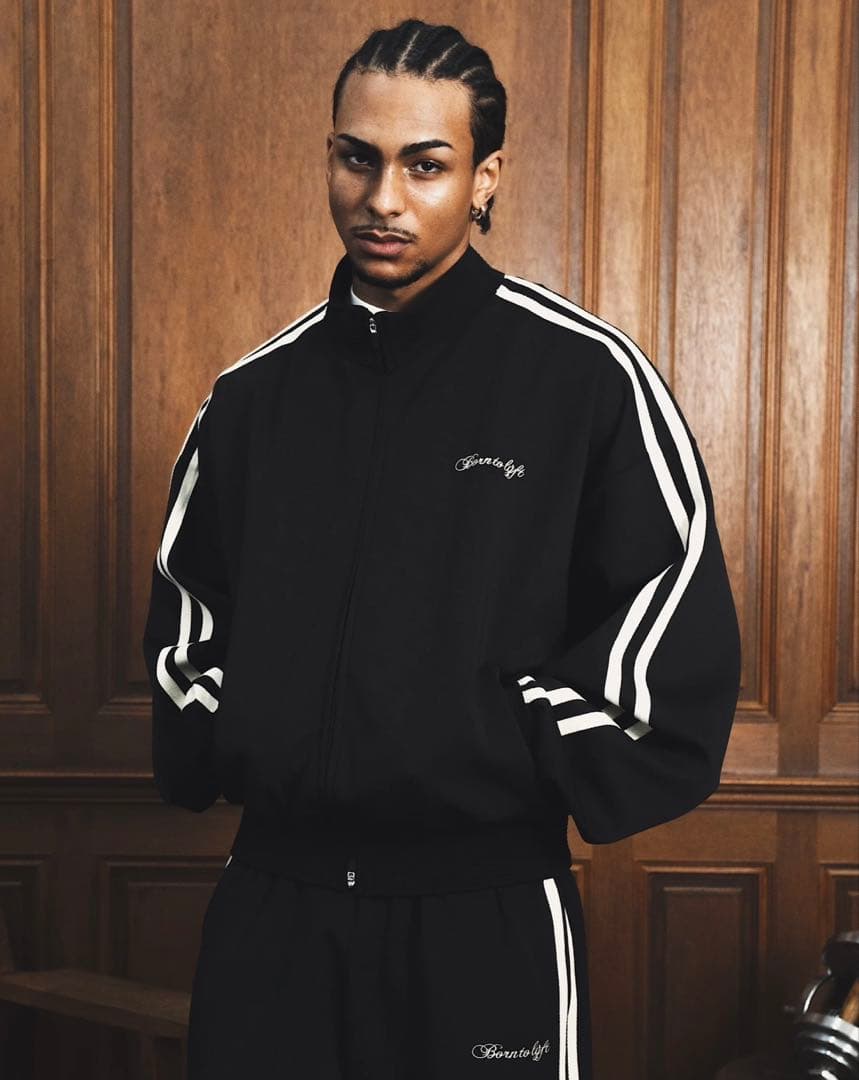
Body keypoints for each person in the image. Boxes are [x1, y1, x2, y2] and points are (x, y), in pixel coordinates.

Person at [142, 17, 741, 1080]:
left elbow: (670, 620)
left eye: (425, 165)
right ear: (330, 157)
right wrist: (242, 721)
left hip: (485, 912)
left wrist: (497, 733)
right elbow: (185, 624)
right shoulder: (250, 400)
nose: (383, 198)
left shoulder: (584, 380)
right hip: (276, 909)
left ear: (483, 177)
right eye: (357, 158)